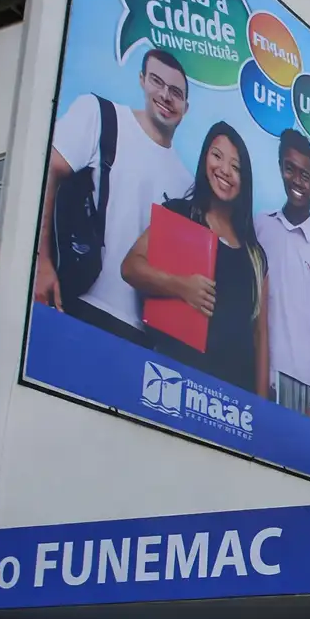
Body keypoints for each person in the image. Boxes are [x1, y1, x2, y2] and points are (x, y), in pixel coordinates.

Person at [35, 49, 193, 342]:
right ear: (142, 80)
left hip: (140, 334)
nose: (165, 96)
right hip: (75, 300)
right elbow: (45, 173)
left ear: (186, 107)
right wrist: (41, 264)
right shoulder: (101, 116)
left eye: (176, 92)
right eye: (157, 82)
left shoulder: (187, 183)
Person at [124, 122, 269, 394]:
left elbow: (260, 336)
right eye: (217, 156)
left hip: (233, 399)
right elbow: (130, 266)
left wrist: (261, 409)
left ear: (244, 179)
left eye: (236, 167)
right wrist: (181, 286)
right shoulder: (179, 215)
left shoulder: (255, 255)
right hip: (176, 383)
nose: (225, 170)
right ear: (204, 158)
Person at [256, 129, 310, 422]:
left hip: (298, 386)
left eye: (306, 175)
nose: (297, 181)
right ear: (281, 169)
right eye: (290, 169)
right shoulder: (260, 226)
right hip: (254, 369)